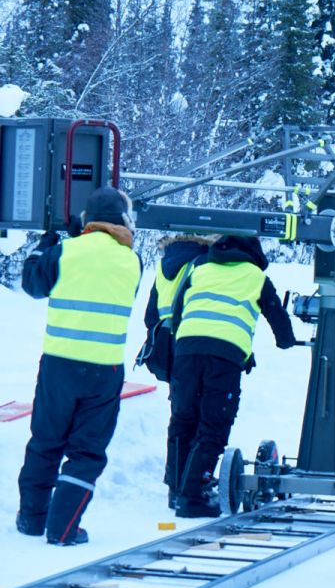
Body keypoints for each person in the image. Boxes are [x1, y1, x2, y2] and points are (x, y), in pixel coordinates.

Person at [16, 187, 141, 545]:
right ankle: (64, 526)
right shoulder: (132, 261)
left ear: (86, 220)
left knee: (46, 441)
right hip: (104, 371)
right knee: (86, 451)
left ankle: (32, 519)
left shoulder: (65, 251)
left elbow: (34, 286)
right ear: (124, 221)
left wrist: (45, 246)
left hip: (59, 365)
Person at [169, 235, 298, 518]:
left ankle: (176, 489)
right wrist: (287, 341)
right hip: (223, 358)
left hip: (187, 349)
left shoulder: (200, 265)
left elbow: (179, 311)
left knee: (183, 418)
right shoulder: (255, 276)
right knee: (213, 423)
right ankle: (192, 496)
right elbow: (278, 317)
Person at [138, 235, 213, 507]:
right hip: (191, 344)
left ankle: (175, 485)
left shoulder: (164, 265)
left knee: (180, 417)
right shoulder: (203, 263)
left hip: (166, 348)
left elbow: (150, 316)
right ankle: (192, 484)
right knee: (202, 417)